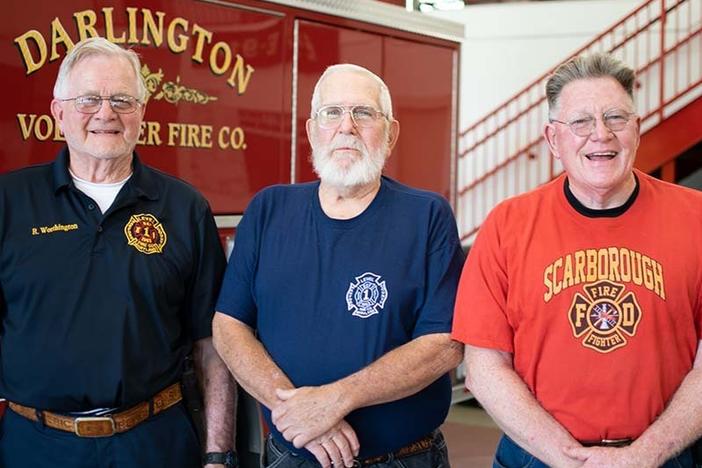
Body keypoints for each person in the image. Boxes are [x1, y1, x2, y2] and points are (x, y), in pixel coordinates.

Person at [452, 52, 702, 468]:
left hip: (667, 456)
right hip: (535, 456)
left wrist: (646, 455)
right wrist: (566, 459)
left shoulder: (697, 218)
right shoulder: (507, 225)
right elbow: (484, 367)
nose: (600, 134)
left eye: (616, 118)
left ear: (636, 130)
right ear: (553, 140)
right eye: (581, 122)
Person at [212, 63, 465, 468]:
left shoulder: (427, 217)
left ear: (391, 133)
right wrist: (296, 410)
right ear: (312, 131)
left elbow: (445, 344)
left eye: (364, 113)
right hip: (290, 456)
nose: (347, 126)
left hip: (401, 460)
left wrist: (334, 401)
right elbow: (228, 326)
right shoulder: (268, 209)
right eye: (332, 113)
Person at [0, 37, 236, 468]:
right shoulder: (9, 202)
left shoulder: (184, 209)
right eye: (89, 99)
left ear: (141, 114)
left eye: (123, 100)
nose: (106, 114)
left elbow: (212, 344)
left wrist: (219, 455)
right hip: (35, 446)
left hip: (154, 444)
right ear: (59, 113)